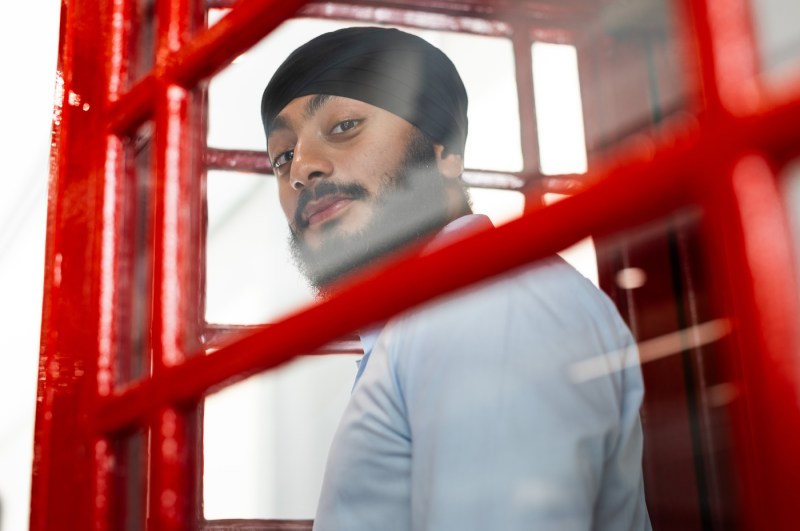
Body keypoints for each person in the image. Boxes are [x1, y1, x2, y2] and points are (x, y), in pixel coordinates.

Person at [260, 26, 651, 530]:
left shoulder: (485, 307)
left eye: (344, 126)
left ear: (445, 151)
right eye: (282, 155)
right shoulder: (435, 316)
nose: (301, 170)